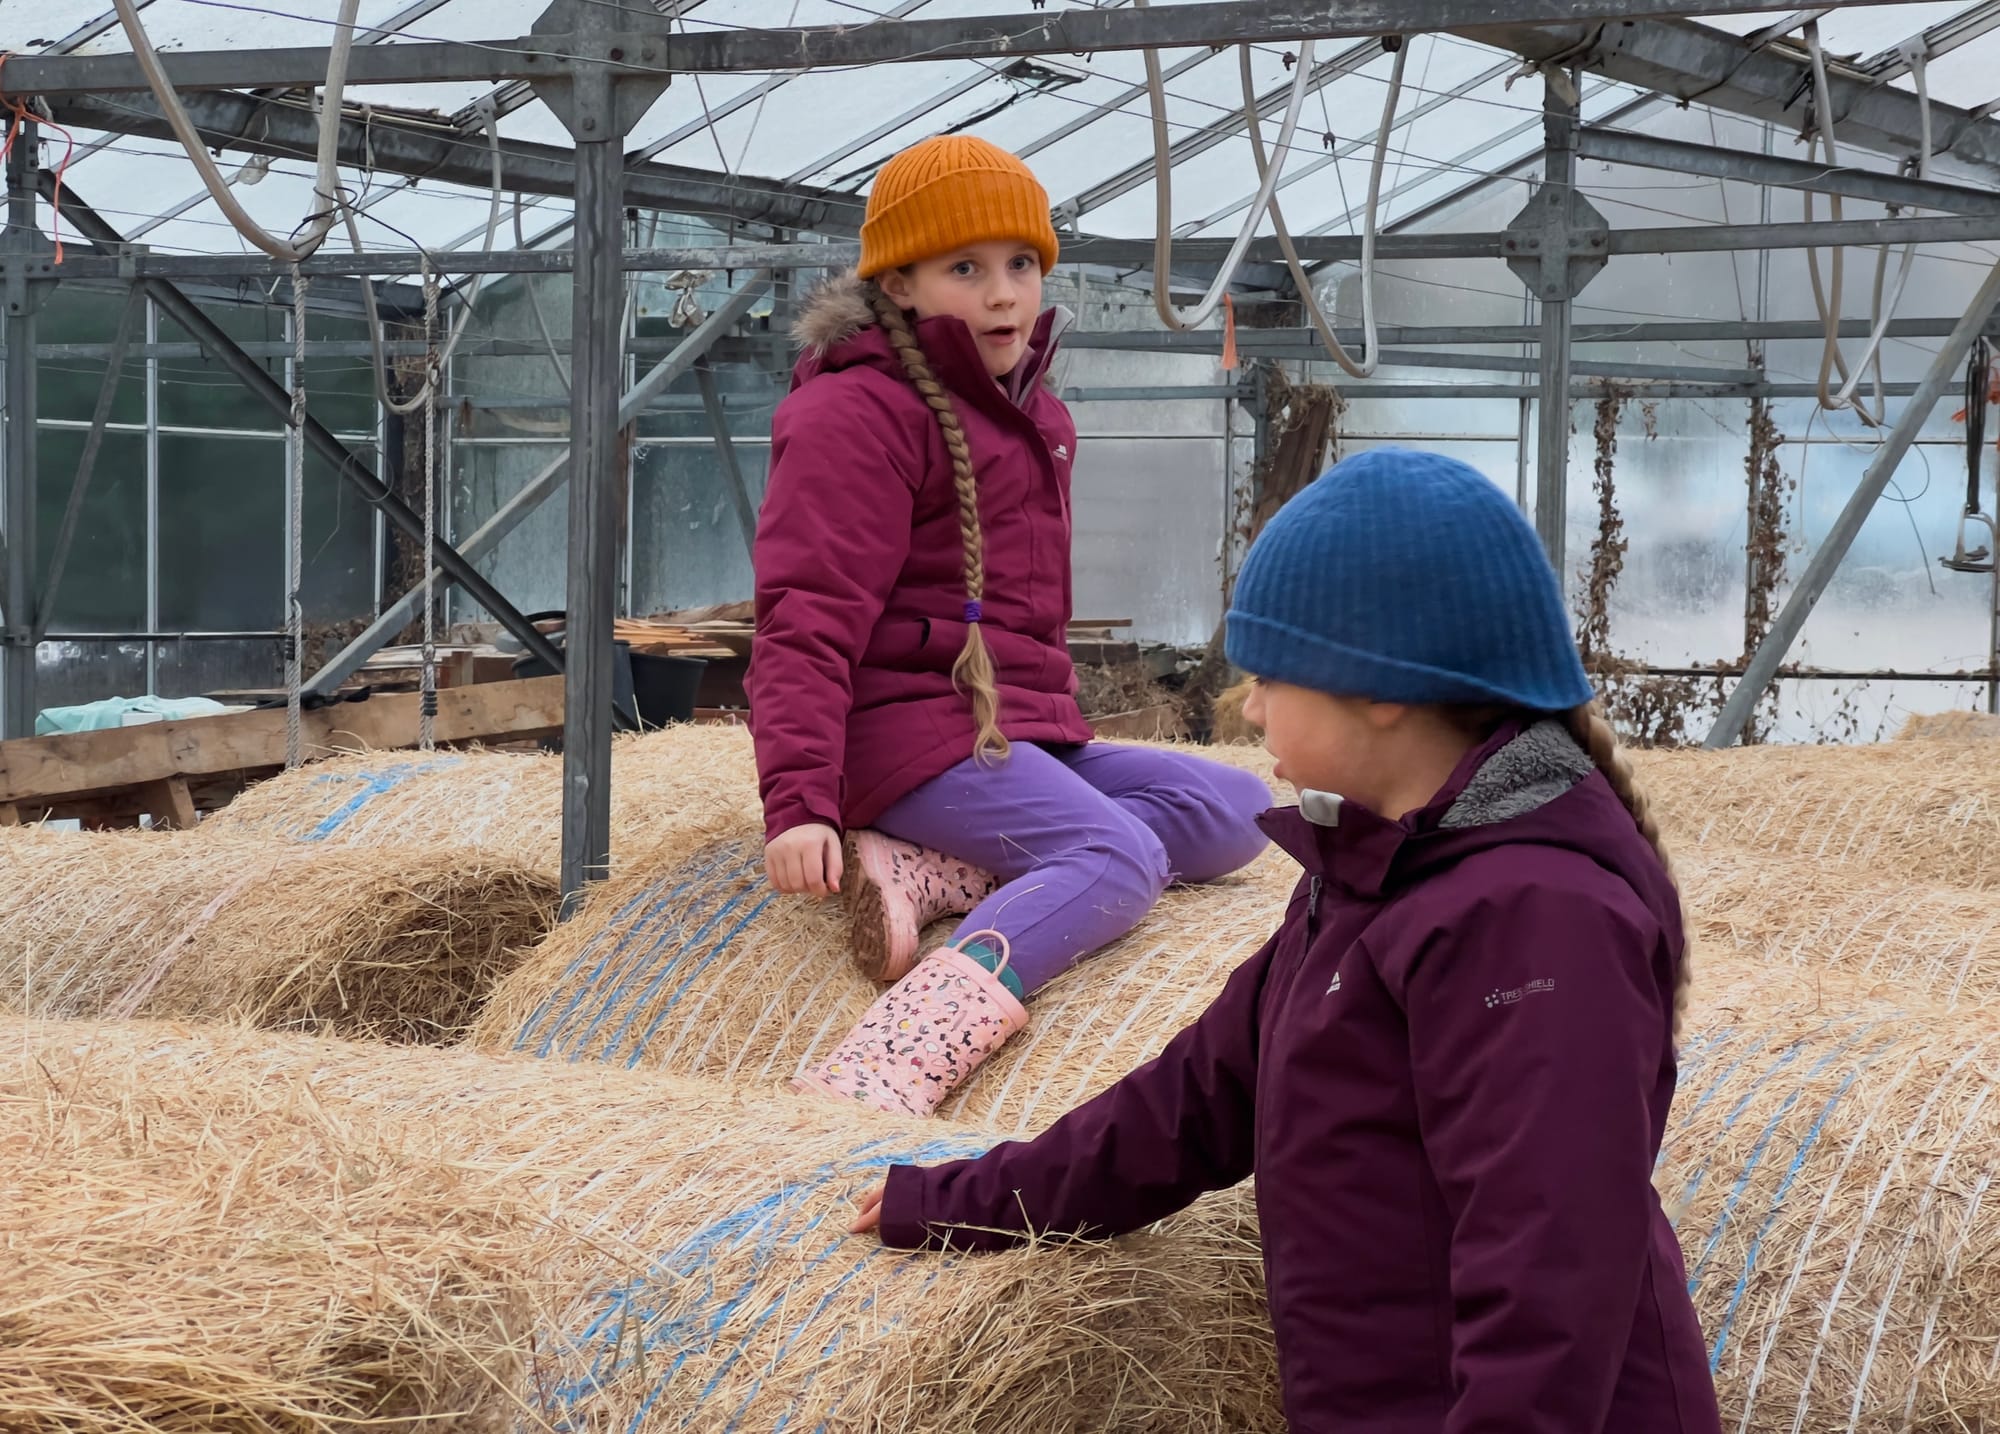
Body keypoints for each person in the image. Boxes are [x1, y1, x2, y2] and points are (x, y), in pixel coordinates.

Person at [847, 448, 1725, 1432]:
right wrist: (966, 1201)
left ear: (1381, 687)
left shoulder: (1533, 917)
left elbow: (1548, 1268)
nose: (1250, 707)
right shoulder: (1364, 879)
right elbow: (1189, 1104)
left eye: (1269, 676)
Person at [746, 134, 1271, 1119]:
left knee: (1237, 813)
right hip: (899, 737)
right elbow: (803, 621)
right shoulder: (854, 414)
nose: (1002, 295)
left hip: (1003, 730)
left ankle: (931, 869)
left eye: (1021, 265)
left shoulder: (1034, 417)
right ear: (897, 284)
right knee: (1116, 860)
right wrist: (800, 804)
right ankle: (906, 1037)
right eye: (965, 269)